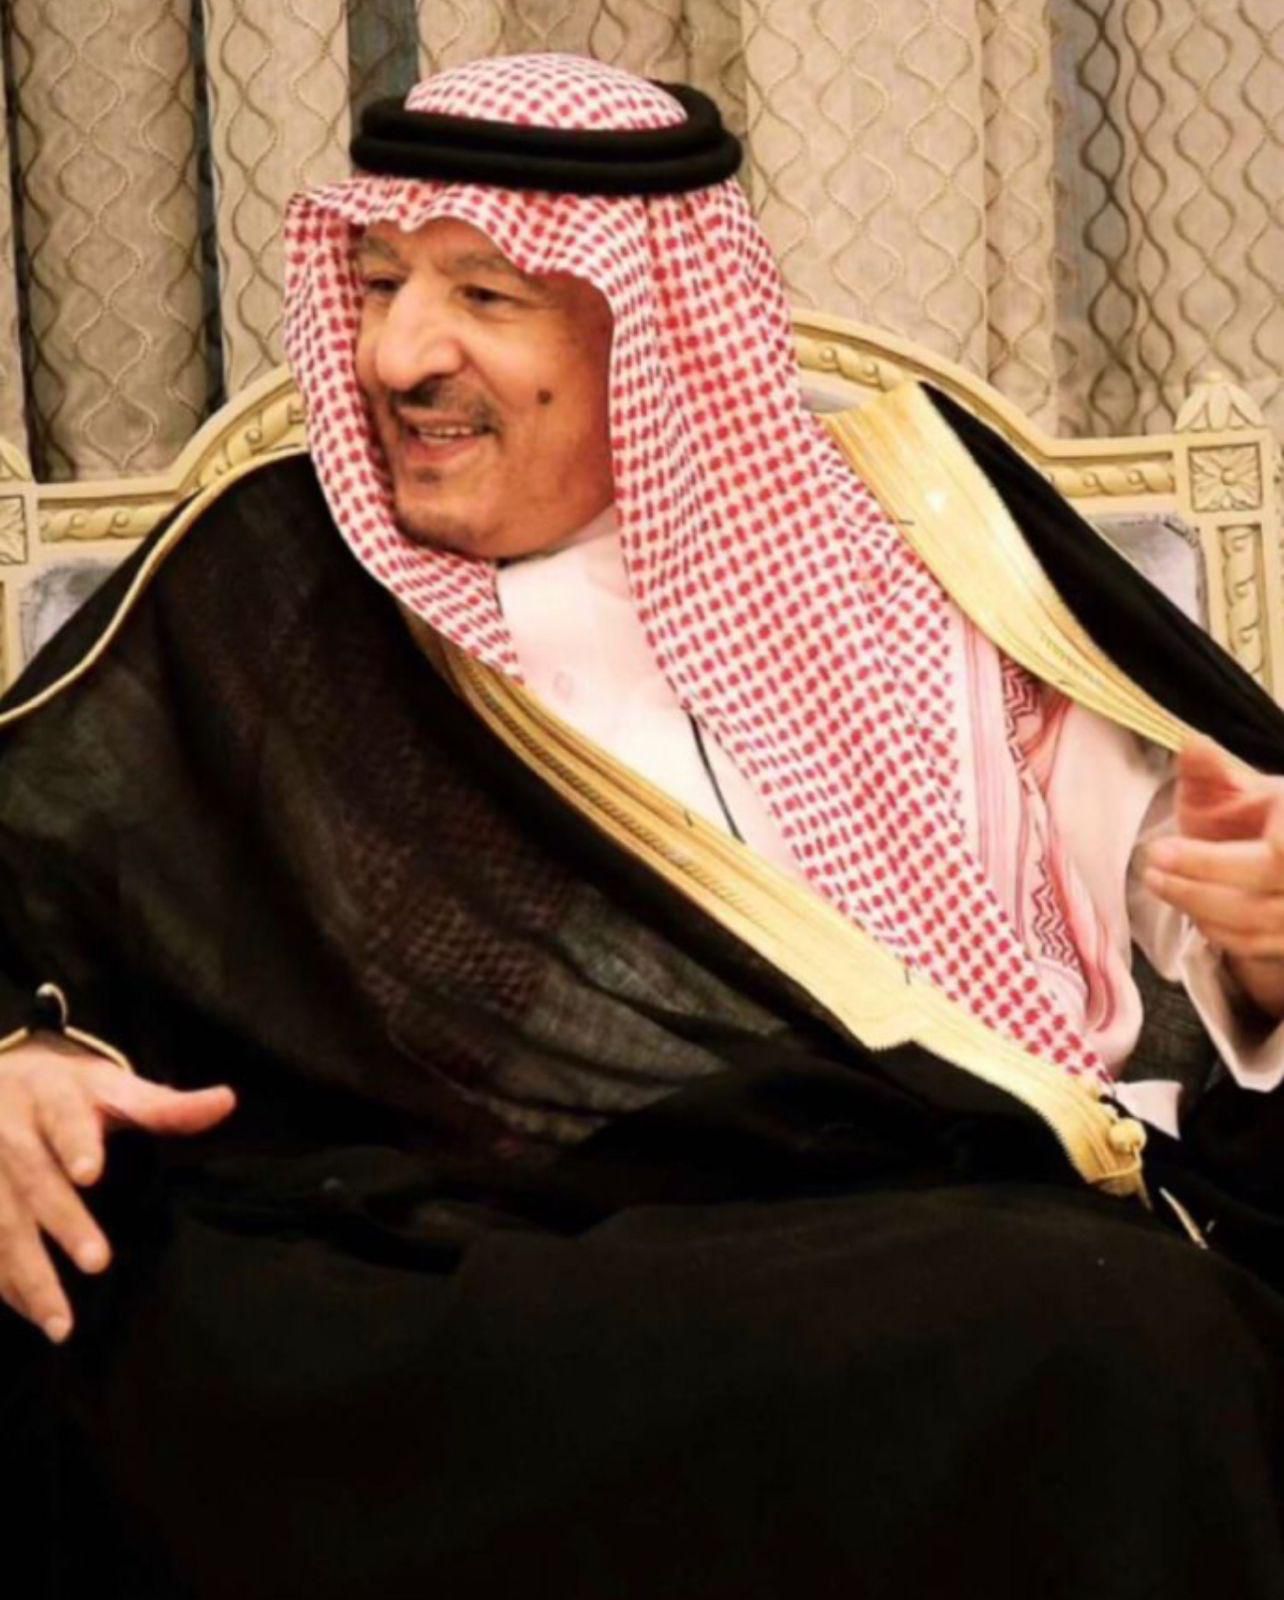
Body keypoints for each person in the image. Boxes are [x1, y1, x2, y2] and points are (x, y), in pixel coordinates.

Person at [1, 51, 1282, 1600]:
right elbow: (35, 870)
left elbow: (1201, 887)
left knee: (1106, 1333)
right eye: (379, 281)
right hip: (473, 1276)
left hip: (924, 1227)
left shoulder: (915, 538)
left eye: (485, 295)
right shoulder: (270, 587)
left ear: (653, 327)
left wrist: (1263, 957)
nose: (397, 355)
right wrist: (19, 1058)